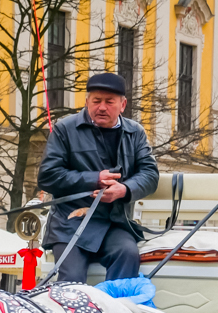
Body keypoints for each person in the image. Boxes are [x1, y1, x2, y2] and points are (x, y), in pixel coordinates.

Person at [37, 72, 159, 283]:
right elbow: (47, 176)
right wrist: (94, 179)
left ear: (123, 105)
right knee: (72, 280)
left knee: (128, 254)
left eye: (109, 102)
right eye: (96, 101)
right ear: (87, 102)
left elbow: (150, 174)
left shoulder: (135, 132)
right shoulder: (64, 129)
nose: (101, 107)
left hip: (115, 223)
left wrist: (125, 190)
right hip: (70, 224)